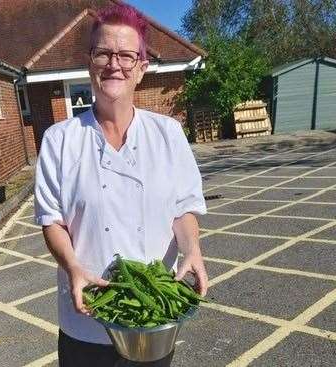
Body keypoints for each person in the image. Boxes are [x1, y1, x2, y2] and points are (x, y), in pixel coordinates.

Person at [34, 4, 208, 366]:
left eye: (127, 55)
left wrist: (192, 249)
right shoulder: (59, 139)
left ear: (141, 68)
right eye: (103, 53)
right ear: (90, 62)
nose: (115, 64)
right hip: (86, 316)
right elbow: (52, 221)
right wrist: (72, 267)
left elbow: (185, 207)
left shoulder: (168, 134)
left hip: (153, 318)